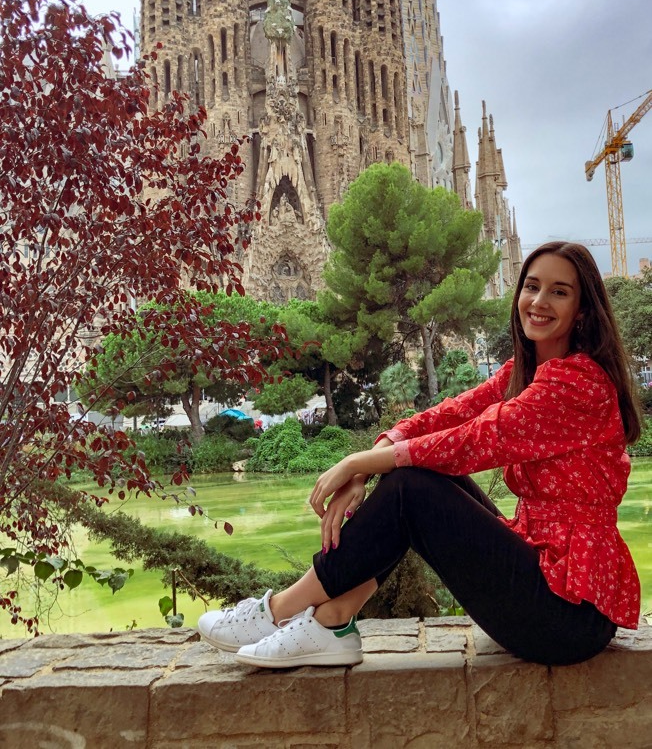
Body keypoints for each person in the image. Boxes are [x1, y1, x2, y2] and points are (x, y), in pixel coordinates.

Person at [198, 241, 642, 668]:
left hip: (567, 613)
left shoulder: (577, 384)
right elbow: (448, 416)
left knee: (412, 486)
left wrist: (359, 464)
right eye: (531, 286)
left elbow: (476, 438)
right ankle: (330, 622)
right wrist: (379, 452)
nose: (539, 300)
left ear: (582, 311)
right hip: (545, 577)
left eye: (559, 291)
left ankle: (278, 610)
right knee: (416, 477)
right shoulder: (523, 373)